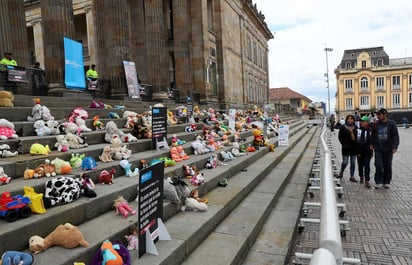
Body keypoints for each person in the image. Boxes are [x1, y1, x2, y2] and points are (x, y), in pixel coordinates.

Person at [370, 108, 400, 189]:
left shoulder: (392, 123)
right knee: (378, 165)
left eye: (379, 114)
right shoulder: (376, 124)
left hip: (388, 149)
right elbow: (372, 135)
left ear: (385, 114)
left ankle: (386, 182)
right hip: (378, 148)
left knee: (388, 165)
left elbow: (395, 136)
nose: (378, 116)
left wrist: (395, 146)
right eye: (377, 114)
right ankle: (378, 181)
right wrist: (371, 144)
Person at [338, 114, 358, 182]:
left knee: (353, 162)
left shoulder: (355, 127)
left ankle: (352, 176)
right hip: (345, 148)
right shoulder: (343, 127)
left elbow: (354, 139)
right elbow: (340, 137)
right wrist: (343, 144)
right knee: (345, 162)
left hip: (353, 148)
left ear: (353, 120)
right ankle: (341, 172)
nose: (350, 120)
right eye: (348, 118)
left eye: (351, 119)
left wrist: (351, 132)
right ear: (346, 120)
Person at [356, 116, 373, 188]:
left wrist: (372, 152)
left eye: (363, 121)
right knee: (360, 165)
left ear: (367, 122)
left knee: (367, 166)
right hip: (360, 151)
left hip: (367, 152)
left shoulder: (371, 131)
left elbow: (372, 142)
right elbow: (356, 142)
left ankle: (367, 180)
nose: (361, 122)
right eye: (361, 121)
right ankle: (361, 176)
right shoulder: (358, 130)